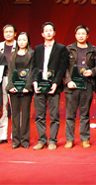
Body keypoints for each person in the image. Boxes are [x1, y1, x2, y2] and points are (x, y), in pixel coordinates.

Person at [32, 22, 69, 150]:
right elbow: (34, 67)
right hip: (40, 85)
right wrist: (34, 82)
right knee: (39, 116)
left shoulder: (61, 48)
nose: (48, 33)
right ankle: (42, 140)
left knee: (54, 116)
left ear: (54, 33)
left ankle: (53, 140)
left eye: (50, 30)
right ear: (42, 34)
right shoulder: (37, 49)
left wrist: (56, 83)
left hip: (54, 86)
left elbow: (62, 67)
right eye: (46, 31)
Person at [64, 25, 96, 149]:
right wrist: (68, 81)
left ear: (87, 35)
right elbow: (64, 67)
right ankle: (69, 140)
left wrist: (92, 72)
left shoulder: (93, 50)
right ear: (75, 35)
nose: (81, 36)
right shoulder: (69, 49)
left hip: (87, 85)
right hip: (72, 86)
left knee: (85, 114)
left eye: (83, 34)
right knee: (70, 115)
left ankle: (85, 139)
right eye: (79, 33)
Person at [6, 32, 34, 149]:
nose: (21, 42)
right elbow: (10, 72)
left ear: (27, 41)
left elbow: (32, 71)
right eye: (19, 40)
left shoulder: (31, 54)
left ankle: (25, 140)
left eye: (24, 40)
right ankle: (16, 140)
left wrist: (28, 86)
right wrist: (10, 86)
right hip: (14, 89)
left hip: (26, 89)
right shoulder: (13, 55)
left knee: (25, 115)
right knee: (15, 115)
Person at [0, 24, 17, 146]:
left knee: (15, 108)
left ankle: (16, 134)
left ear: (15, 34)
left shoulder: (19, 44)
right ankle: (2, 135)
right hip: (2, 78)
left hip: (15, 79)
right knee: (2, 107)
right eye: (6, 32)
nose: (8, 34)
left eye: (10, 32)